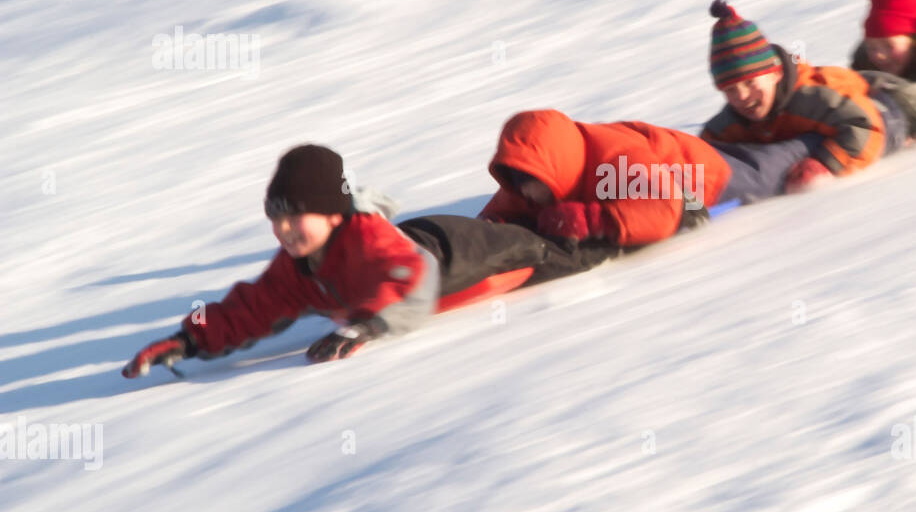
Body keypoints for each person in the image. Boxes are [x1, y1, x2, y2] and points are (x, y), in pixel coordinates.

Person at [122, 144, 596, 377]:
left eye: (296, 218)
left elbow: (414, 278)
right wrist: (187, 339)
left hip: (458, 254)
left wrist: (368, 325)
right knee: (533, 231)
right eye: (276, 219)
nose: (284, 231)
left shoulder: (367, 242)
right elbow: (252, 307)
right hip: (421, 239)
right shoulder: (300, 263)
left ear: (333, 214)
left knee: (563, 252)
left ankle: (618, 210)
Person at [699, 0, 916, 195]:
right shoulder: (730, 122)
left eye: (750, 82)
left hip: (887, 110)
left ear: (774, 74)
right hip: (854, 95)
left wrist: (825, 164)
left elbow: (866, 126)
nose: (741, 96)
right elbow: (702, 150)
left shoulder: (808, 98)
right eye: (730, 89)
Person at [478, 108, 733, 246]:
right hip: (651, 170)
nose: (525, 192)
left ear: (556, 166)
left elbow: (662, 204)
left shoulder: (615, 160)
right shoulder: (538, 175)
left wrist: (592, 220)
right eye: (517, 179)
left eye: (530, 181)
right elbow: (504, 206)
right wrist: (489, 228)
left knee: (683, 207)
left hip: (710, 173)